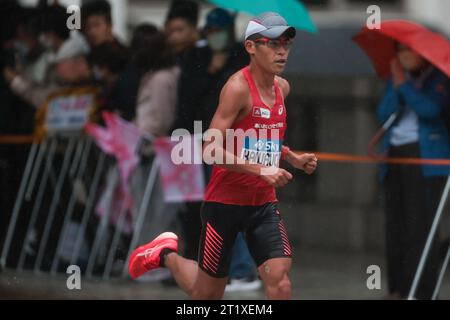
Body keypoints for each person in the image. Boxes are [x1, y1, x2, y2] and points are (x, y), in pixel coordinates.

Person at [128, 12, 318, 300]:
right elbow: (211, 149)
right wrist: (259, 170)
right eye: (272, 44)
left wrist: (291, 157)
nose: (281, 52)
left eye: (286, 44)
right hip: (224, 205)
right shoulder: (237, 88)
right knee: (206, 295)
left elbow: (260, 138)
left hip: (263, 205)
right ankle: (165, 254)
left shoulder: (282, 88)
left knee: (279, 280)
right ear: (251, 47)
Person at [377, 42, 450, 299]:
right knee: (395, 227)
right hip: (396, 155)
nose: (404, 56)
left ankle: (420, 291)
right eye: (400, 51)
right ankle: (397, 288)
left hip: (427, 158)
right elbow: (383, 113)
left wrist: (404, 86)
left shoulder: (439, 78)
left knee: (420, 228)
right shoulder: (395, 77)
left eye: (409, 51)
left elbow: (430, 110)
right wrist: (397, 85)